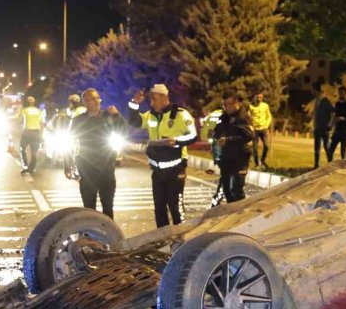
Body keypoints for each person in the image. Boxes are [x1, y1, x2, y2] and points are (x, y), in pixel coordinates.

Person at [128, 84, 198, 227]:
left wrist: (177, 141)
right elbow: (134, 121)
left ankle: (182, 236)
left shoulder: (180, 114)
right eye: (150, 100)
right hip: (157, 170)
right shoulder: (151, 116)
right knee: (159, 206)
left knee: (175, 205)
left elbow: (193, 136)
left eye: (154, 99)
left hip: (175, 169)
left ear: (164, 97)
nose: (151, 103)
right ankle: (162, 239)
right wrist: (134, 103)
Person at [69, 88, 125, 218]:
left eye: (97, 98)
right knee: (89, 208)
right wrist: (68, 164)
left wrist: (117, 115)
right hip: (87, 168)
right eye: (92, 99)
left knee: (108, 206)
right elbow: (71, 141)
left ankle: (109, 236)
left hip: (106, 168)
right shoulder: (79, 120)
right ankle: (90, 236)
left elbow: (123, 131)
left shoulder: (108, 116)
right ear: (85, 102)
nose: (96, 101)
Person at [212, 91, 254, 203]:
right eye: (224, 104)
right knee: (226, 189)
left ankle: (240, 216)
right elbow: (217, 130)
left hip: (240, 157)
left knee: (236, 188)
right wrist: (217, 136)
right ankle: (232, 215)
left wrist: (229, 140)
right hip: (226, 157)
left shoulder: (243, 117)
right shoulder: (224, 117)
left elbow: (249, 135)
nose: (226, 107)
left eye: (229, 104)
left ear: (236, 103)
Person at [327, 85, 346, 161]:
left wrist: (343, 118)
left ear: (345, 93)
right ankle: (330, 166)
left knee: (343, 152)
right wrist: (331, 126)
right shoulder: (337, 104)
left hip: (345, 130)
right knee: (330, 150)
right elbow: (334, 116)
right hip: (337, 130)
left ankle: (343, 168)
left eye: (342, 93)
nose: (340, 94)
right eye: (339, 93)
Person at [20, 96, 44, 175]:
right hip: (36, 133)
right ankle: (32, 168)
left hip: (27, 133)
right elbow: (42, 123)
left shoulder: (24, 111)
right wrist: (41, 134)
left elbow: (21, 121)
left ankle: (25, 166)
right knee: (34, 153)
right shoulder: (38, 111)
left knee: (22, 149)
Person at [248, 92, 272, 170]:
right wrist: (250, 126)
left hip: (263, 128)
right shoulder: (251, 106)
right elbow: (247, 117)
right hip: (255, 130)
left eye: (260, 97)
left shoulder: (265, 106)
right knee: (255, 148)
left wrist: (267, 125)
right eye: (257, 97)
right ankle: (257, 163)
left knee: (266, 145)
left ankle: (262, 160)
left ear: (262, 98)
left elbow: (269, 116)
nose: (259, 99)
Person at [311, 82, 333, 168]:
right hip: (317, 127)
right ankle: (316, 165)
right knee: (316, 147)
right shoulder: (316, 100)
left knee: (326, 146)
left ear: (315, 89)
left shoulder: (325, 100)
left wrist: (329, 124)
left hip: (324, 127)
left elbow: (332, 112)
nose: (311, 91)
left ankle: (331, 164)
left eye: (312, 89)